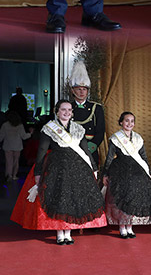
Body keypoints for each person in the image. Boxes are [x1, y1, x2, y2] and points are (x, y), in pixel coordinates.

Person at [11, 99, 106, 243]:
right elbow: (42, 152)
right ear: (57, 112)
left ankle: (68, 232)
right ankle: (60, 233)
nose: (66, 112)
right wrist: (38, 172)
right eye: (63, 110)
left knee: (72, 199)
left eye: (69, 110)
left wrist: (93, 167)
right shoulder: (49, 128)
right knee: (60, 198)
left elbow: (85, 150)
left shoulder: (78, 129)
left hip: (77, 168)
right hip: (57, 168)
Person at [101, 111, 151, 237]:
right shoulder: (115, 138)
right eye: (126, 121)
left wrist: (148, 170)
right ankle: (122, 226)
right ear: (121, 122)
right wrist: (105, 174)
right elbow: (110, 158)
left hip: (136, 169)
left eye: (132, 121)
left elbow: (143, 156)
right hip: (120, 169)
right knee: (123, 196)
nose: (129, 123)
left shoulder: (138, 138)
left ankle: (130, 226)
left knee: (134, 197)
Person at [67, 63, 105, 169]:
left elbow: (100, 131)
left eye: (84, 89)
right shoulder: (67, 107)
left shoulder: (96, 108)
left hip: (90, 148)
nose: (82, 92)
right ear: (72, 91)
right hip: (71, 149)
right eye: (79, 89)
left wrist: (90, 148)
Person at [0, 111, 30, 181]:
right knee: (16, 162)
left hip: (7, 146)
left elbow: (1, 136)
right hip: (17, 146)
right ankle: (14, 175)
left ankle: (8, 175)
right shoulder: (20, 125)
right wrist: (30, 134)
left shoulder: (5, 125)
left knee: (8, 162)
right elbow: (24, 136)